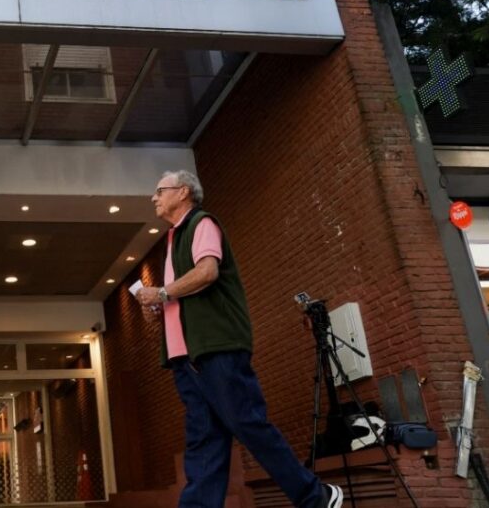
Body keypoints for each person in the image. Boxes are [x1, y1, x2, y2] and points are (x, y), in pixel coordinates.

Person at [135, 170, 344, 508]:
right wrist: (157, 306)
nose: (154, 198)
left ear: (183, 192)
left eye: (160, 190)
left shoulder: (202, 224)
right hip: (186, 357)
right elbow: (179, 295)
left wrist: (160, 292)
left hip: (215, 349)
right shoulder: (173, 240)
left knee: (247, 424)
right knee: (205, 442)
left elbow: (207, 273)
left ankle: (315, 496)